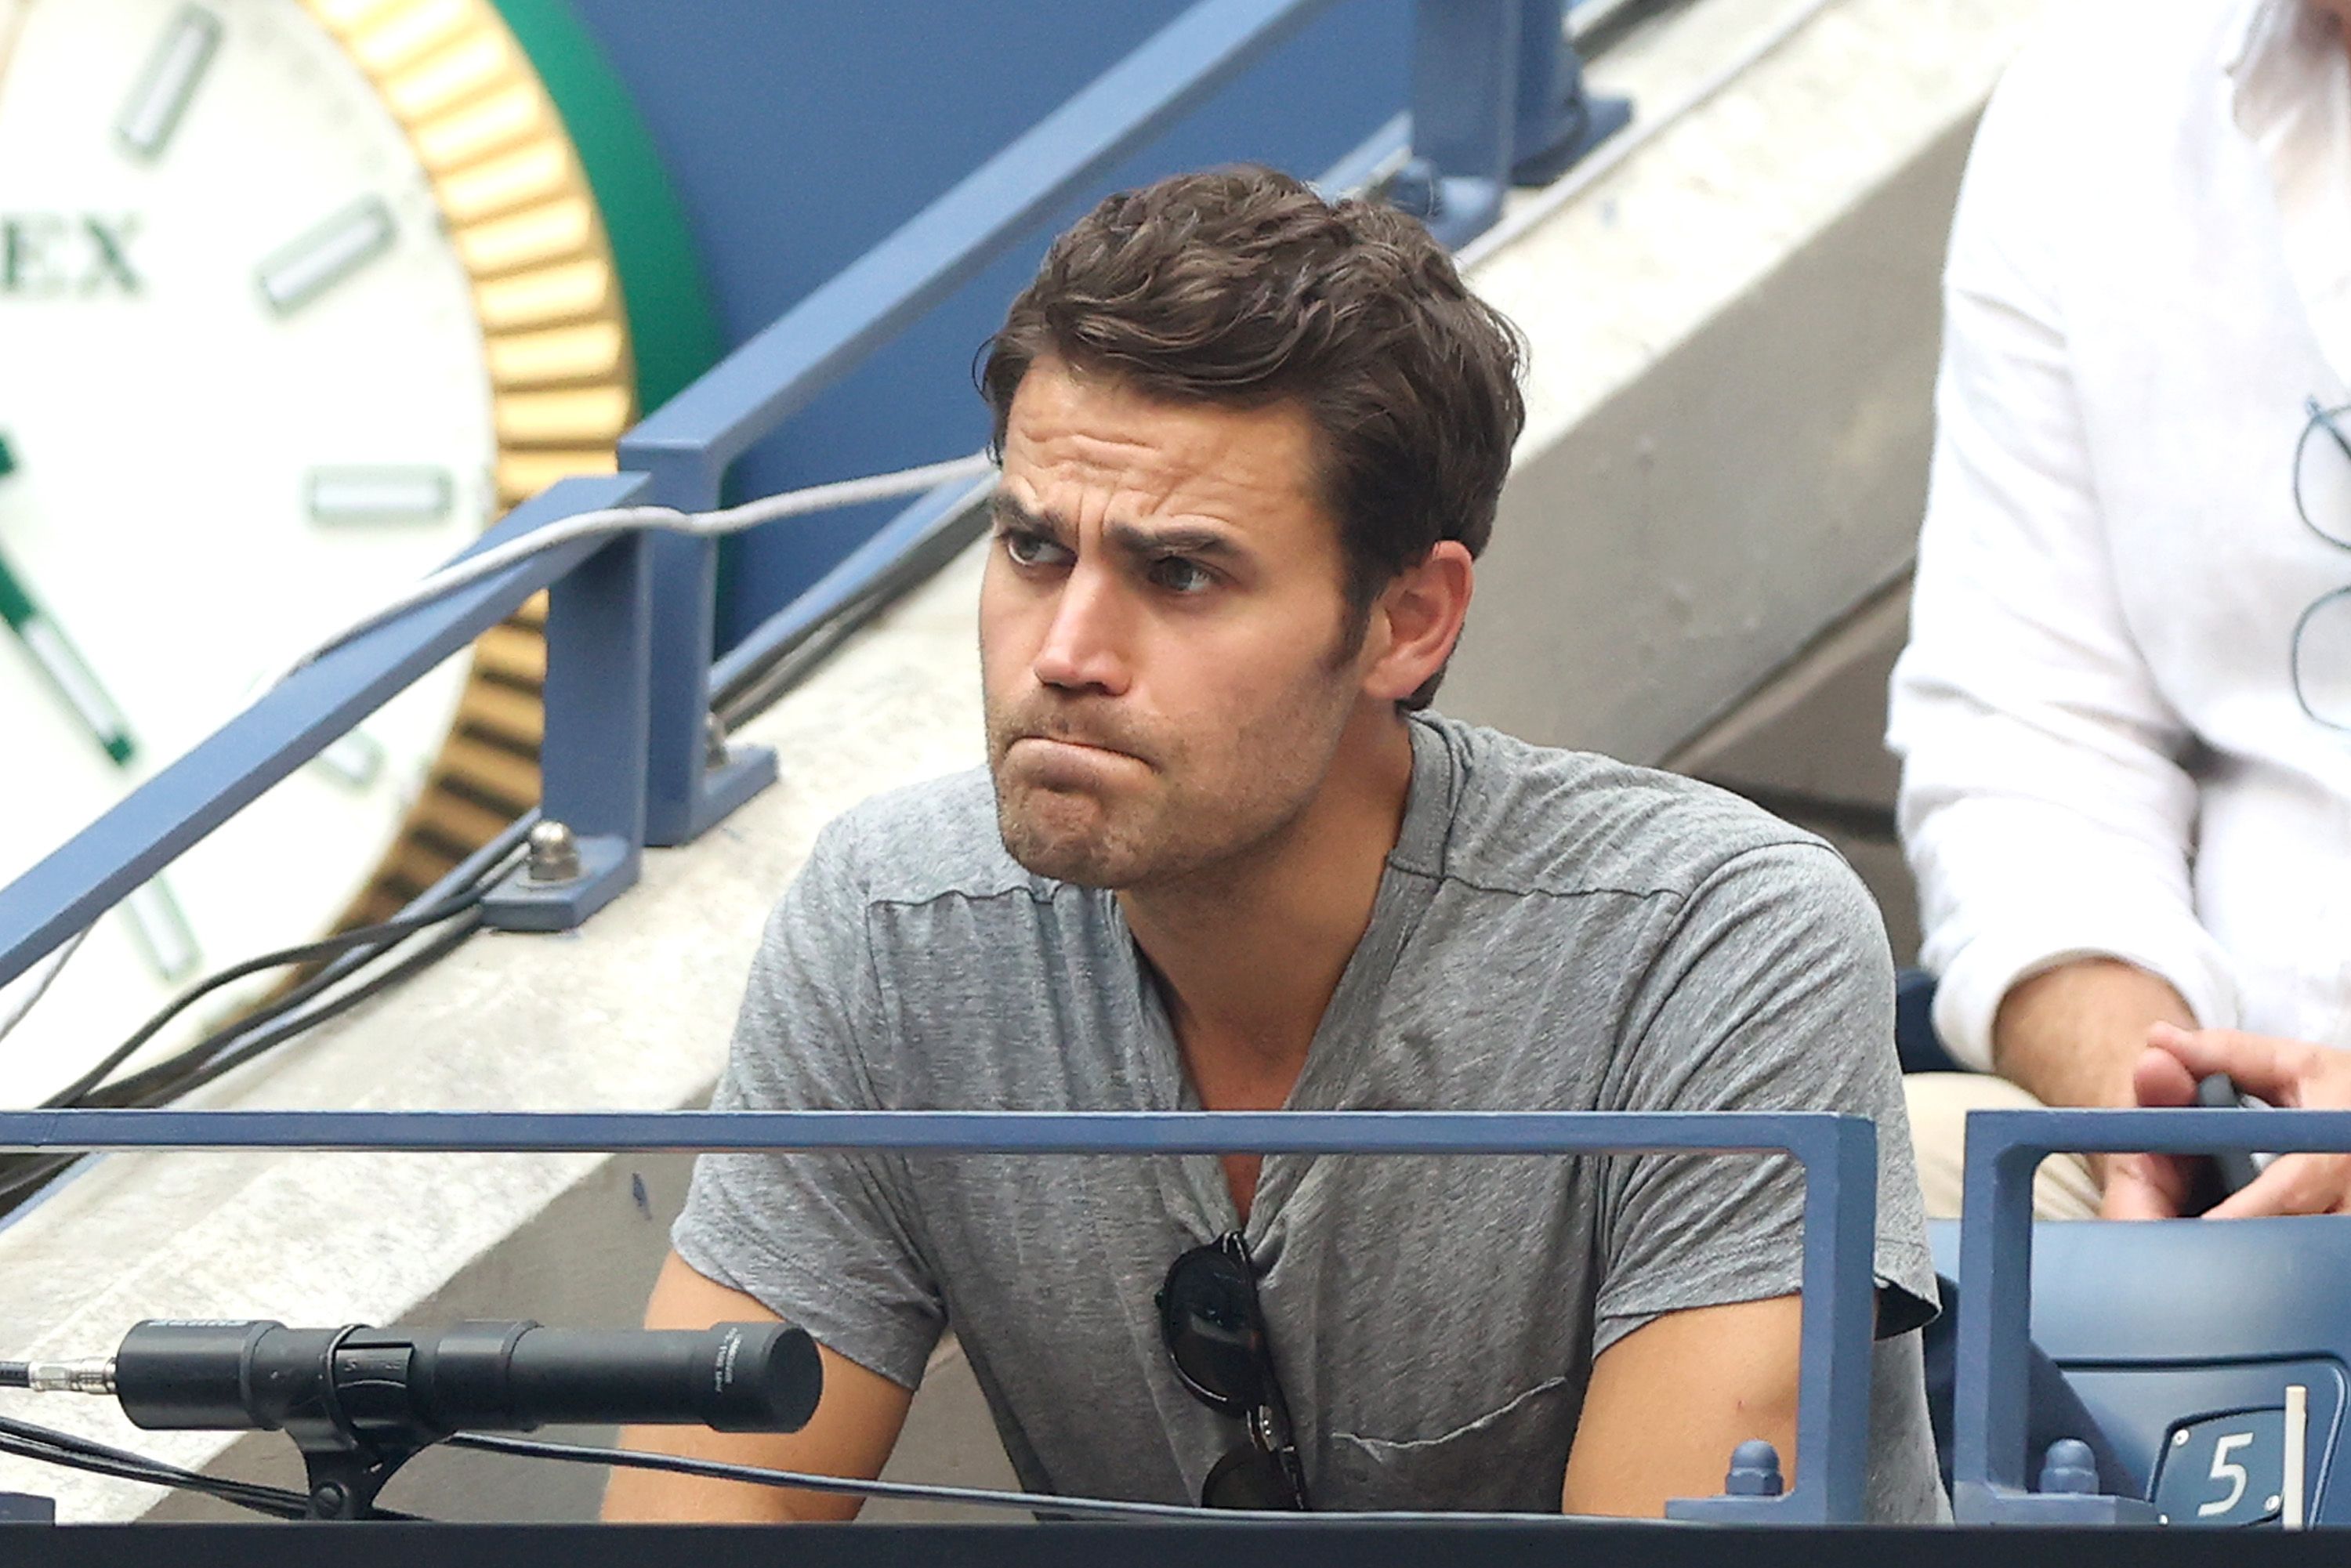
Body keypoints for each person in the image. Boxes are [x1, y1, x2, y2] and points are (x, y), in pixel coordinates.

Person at [604, 166, 1945, 1523]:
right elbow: (703, 1512)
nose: (1066, 654)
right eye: (1029, 549)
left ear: (1409, 619)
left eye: (1181, 573)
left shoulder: (1717, 941)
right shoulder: (894, 929)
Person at [1890, 0, 2351, 1221]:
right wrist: (2146, 1116)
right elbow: (2028, 745)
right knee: (1793, 1206)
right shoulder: (2091, 101)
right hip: (2231, 1146)